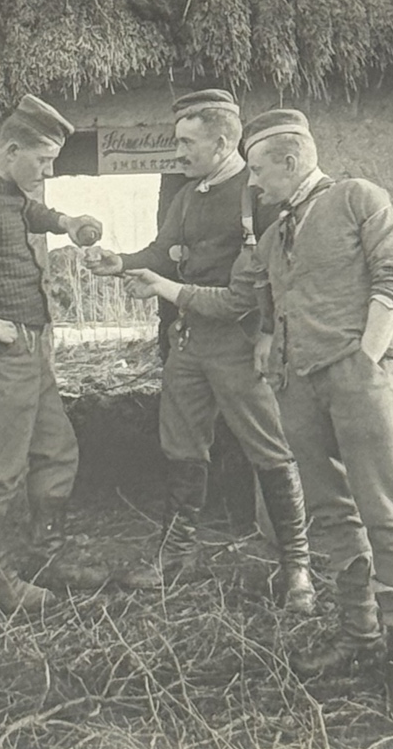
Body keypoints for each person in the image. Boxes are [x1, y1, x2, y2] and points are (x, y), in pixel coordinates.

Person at [124, 109, 393, 715]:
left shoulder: (357, 199)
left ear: (290, 162)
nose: (255, 186)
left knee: (385, 515)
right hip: (298, 388)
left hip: (358, 379)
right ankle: (359, 634)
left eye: (260, 172)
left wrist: (366, 362)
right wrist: (159, 286)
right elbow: (234, 300)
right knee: (331, 514)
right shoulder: (268, 237)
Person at [87, 90, 314, 613]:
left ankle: (296, 566)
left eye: (188, 142)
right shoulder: (189, 195)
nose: (179, 152)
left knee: (270, 450)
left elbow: (282, 274)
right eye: (176, 142)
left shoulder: (255, 192)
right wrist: (117, 262)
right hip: (190, 342)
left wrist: (267, 337)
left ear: (220, 141)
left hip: (240, 343)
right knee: (182, 446)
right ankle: (176, 558)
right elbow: (162, 253)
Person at [0, 95, 106, 612]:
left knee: (56, 450)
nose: (48, 170)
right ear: (12, 149)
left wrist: (65, 222)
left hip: (28, 348)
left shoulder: (5, 189)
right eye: (44, 161)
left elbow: (25, 210)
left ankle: (45, 556)